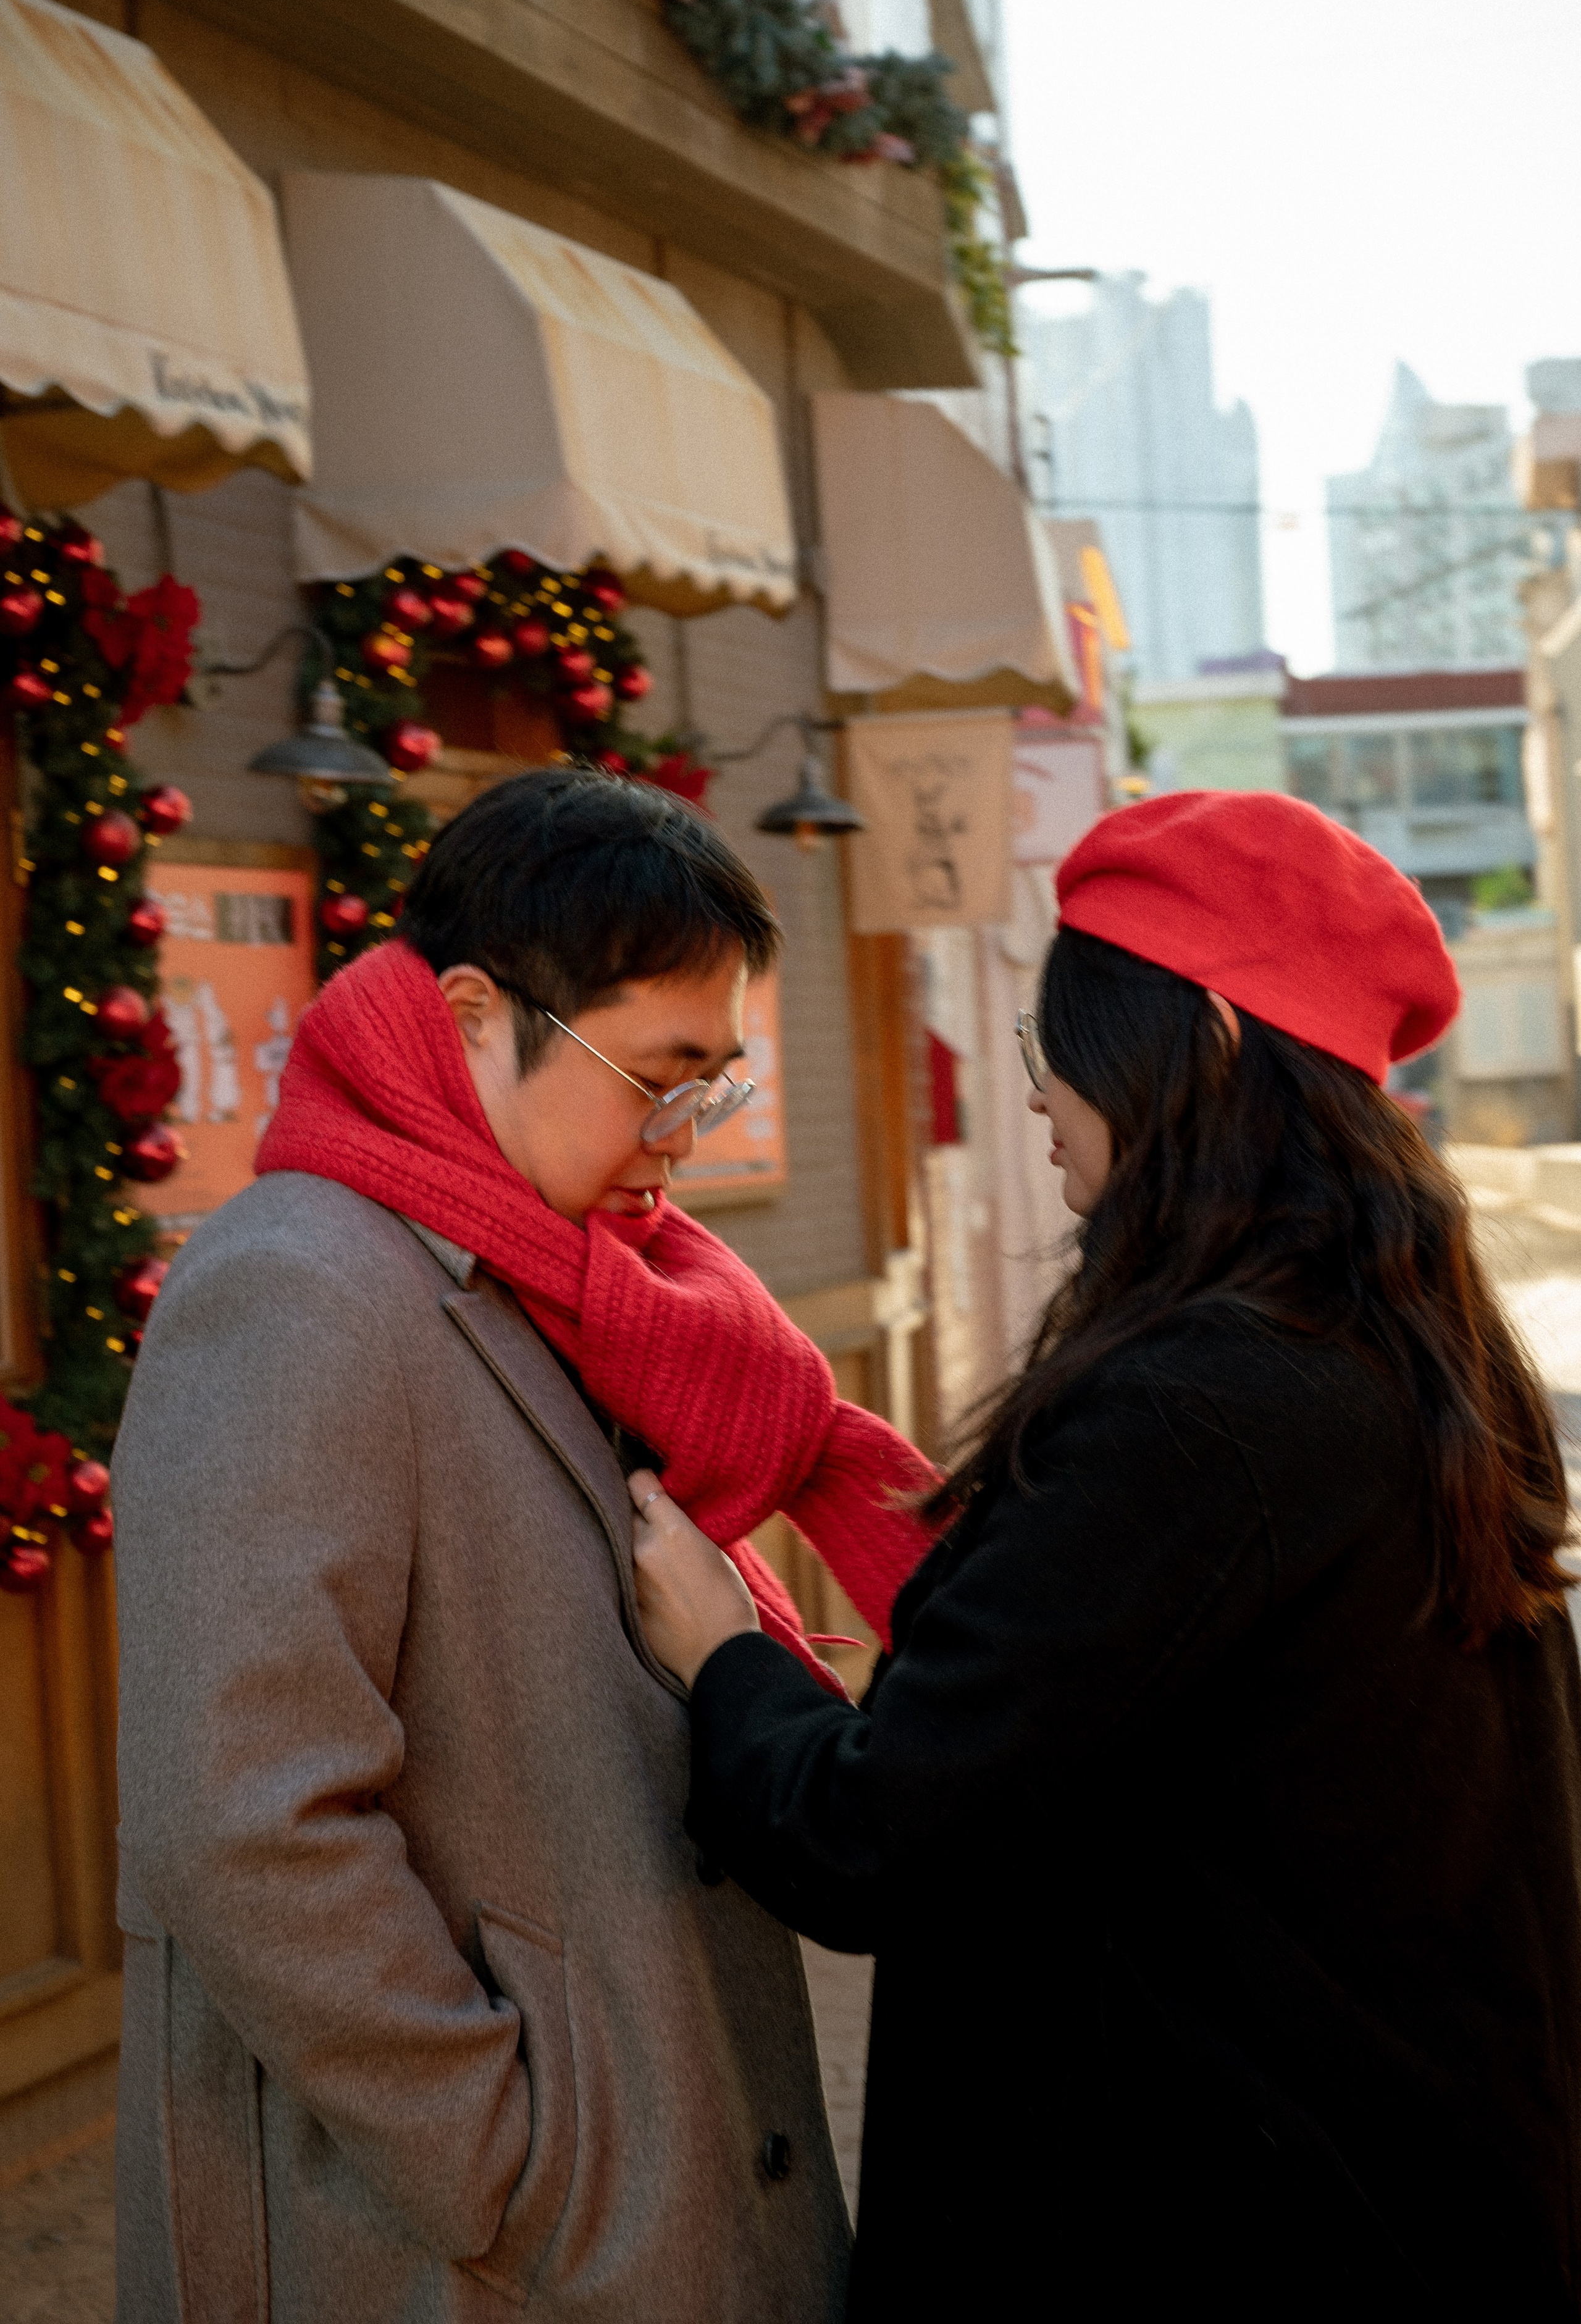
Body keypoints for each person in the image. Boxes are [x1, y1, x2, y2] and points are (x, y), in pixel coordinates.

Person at [628, 789, 1581, 2322]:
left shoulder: (1200, 1404)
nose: (1036, 1094)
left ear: (1194, 1039)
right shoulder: (1419, 1347)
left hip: (1194, 2226)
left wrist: (720, 1652)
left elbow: (875, 1831)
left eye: (1052, 1045)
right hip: (1407, 2195)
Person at [111, 768, 938, 2323]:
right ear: (476, 1013)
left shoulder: (571, 1275)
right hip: (462, 2242)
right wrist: (511, 2160)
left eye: (716, 1086)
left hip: (623, 2179)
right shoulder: (300, 1286)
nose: (684, 1138)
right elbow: (242, 1822)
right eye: (657, 1078)